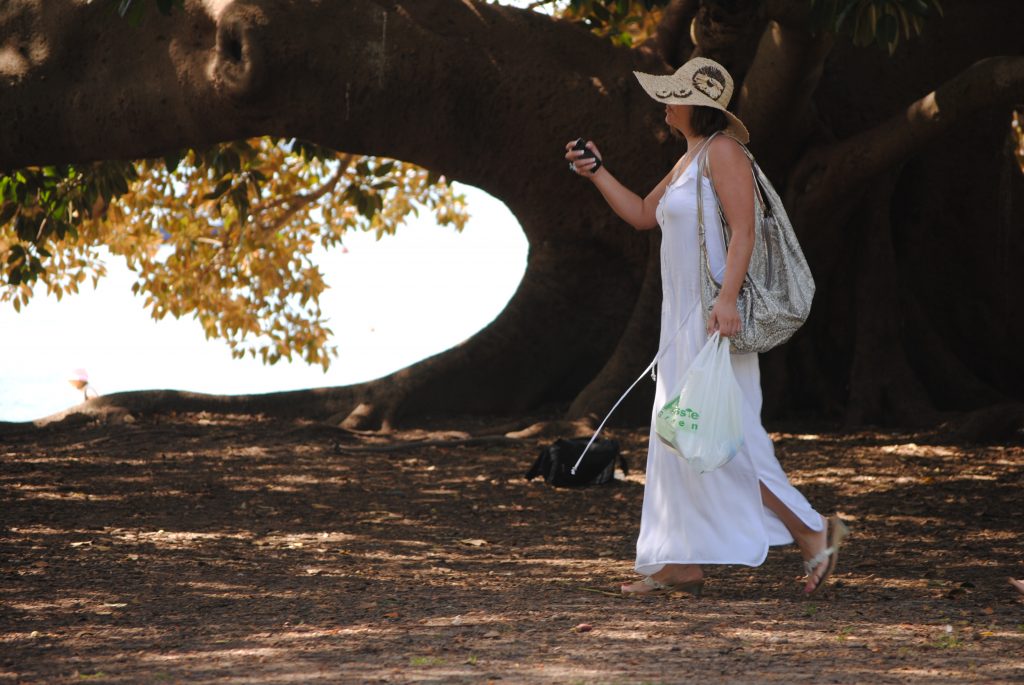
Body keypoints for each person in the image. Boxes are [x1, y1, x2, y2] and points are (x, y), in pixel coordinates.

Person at [564, 57, 846, 597]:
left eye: (674, 94)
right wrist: (597, 171)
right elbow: (645, 213)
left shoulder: (723, 152)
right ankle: (677, 561)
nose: (665, 102)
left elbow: (744, 233)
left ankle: (814, 530)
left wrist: (728, 300)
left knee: (724, 437)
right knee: (679, 434)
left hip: (714, 316)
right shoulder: (689, 159)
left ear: (697, 105)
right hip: (683, 320)